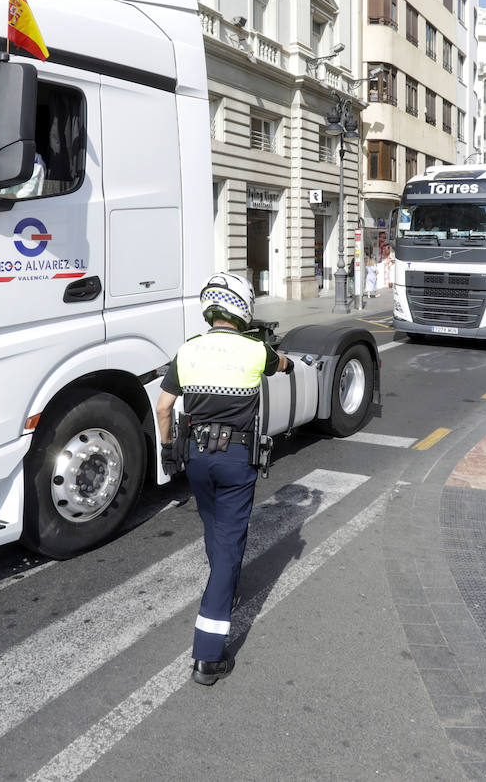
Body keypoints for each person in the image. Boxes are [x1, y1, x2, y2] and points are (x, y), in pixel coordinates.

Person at [154, 272, 290, 686]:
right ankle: (209, 656)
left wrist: (167, 447)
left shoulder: (188, 350)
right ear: (242, 308)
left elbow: (163, 409)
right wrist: (285, 359)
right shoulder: (255, 350)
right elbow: (281, 365)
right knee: (230, 545)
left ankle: (225, 585)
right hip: (235, 459)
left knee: (214, 526)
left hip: (195, 457)